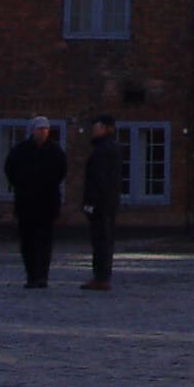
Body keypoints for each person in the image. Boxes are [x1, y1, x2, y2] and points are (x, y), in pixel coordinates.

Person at [0, 117, 65, 289]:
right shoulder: (21, 151)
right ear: (33, 131)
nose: (43, 132)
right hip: (27, 202)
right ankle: (32, 275)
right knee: (28, 241)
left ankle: (42, 275)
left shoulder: (54, 151)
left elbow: (61, 172)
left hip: (47, 202)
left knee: (44, 241)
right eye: (40, 129)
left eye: (46, 129)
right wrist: (22, 185)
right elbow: (10, 169)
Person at [80, 114, 121, 291]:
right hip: (108, 202)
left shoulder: (103, 150)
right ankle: (102, 276)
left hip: (101, 203)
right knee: (104, 239)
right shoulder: (111, 147)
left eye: (96, 126)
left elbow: (98, 179)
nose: (93, 130)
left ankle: (101, 277)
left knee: (101, 240)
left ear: (104, 128)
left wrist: (91, 203)